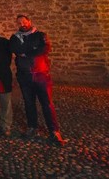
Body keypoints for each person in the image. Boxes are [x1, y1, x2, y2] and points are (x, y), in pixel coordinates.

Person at [9, 14, 66, 145]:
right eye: (19, 22)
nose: (22, 24)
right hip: (25, 75)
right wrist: (33, 49)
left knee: (47, 103)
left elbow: (45, 49)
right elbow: (15, 49)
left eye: (24, 21)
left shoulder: (40, 35)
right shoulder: (15, 38)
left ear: (29, 21)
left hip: (41, 75)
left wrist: (27, 52)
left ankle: (54, 131)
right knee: (29, 103)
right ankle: (32, 127)